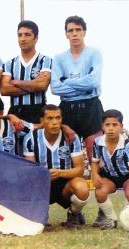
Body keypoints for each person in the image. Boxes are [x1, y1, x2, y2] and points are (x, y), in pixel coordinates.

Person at [23, 105, 90, 228]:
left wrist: (60, 173)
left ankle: (74, 213)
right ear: (42, 121)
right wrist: (44, 175)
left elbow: (80, 170)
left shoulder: (71, 138)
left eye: (58, 118)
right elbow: (30, 171)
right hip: (42, 184)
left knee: (82, 187)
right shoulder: (31, 139)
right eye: (50, 118)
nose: (54, 122)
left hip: (66, 185)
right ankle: (40, 214)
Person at [51, 16, 103, 161]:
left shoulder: (94, 53)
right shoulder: (59, 58)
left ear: (84, 32)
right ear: (66, 34)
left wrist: (66, 81)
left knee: (96, 155)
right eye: (71, 30)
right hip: (67, 108)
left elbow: (94, 82)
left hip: (91, 106)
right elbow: (55, 88)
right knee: (67, 156)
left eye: (78, 30)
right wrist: (84, 87)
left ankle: (98, 182)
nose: (74, 33)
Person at [91, 109, 129, 229]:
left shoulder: (127, 145)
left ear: (121, 127)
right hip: (109, 176)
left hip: (127, 176)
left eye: (115, 125)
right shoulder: (98, 142)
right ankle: (111, 219)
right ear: (102, 126)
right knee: (100, 191)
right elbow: (95, 161)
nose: (111, 128)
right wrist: (95, 174)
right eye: (107, 125)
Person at [1, 20, 52, 124]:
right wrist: (34, 86)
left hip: (38, 110)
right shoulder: (9, 63)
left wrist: (16, 82)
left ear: (36, 38)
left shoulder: (45, 60)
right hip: (15, 111)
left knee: (36, 139)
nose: (23, 39)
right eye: (20, 35)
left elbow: (42, 85)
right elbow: (4, 89)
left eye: (27, 35)